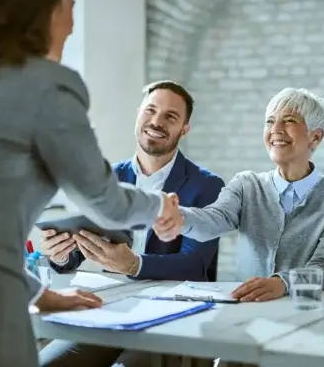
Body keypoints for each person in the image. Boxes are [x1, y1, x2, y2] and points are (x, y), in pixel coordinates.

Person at [0, 0, 177, 365]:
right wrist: (159, 208)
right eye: (71, 3)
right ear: (49, 9)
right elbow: (103, 201)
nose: (72, 21)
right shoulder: (48, 86)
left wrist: (40, 295)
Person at [39, 81, 224, 367]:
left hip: (173, 318)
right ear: (138, 114)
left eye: (170, 117)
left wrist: (134, 264)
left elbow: (195, 265)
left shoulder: (207, 185)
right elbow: (82, 247)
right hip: (109, 310)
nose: (156, 121)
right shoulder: (108, 177)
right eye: (150, 110)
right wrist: (61, 255)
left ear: (184, 129)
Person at [154, 87, 324, 302]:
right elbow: (214, 219)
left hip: (307, 311)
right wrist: (179, 216)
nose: (276, 129)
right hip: (250, 309)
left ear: (315, 137)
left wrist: (283, 283)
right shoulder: (247, 184)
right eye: (270, 121)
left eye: (289, 121)